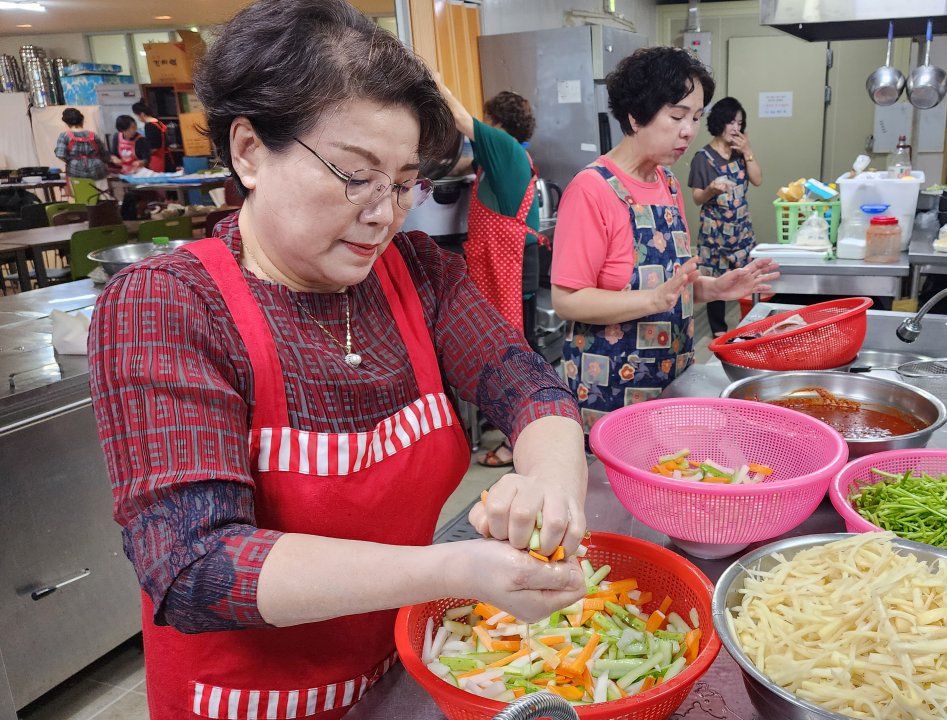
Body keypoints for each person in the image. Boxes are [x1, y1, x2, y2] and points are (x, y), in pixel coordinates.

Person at [88, 2, 587, 718]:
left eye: (404, 181)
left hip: (395, 677)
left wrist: (553, 487)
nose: (385, 213)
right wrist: (450, 569)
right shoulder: (168, 305)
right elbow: (194, 568)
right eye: (356, 174)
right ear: (250, 152)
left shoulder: (418, 274)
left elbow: (527, 384)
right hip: (245, 704)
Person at [550, 47, 779, 433]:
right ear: (635, 116)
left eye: (695, 117)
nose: (688, 130)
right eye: (676, 116)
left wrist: (713, 288)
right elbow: (567, 300)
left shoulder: (667, 182)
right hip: (611, 391)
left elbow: (672, 286)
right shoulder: (591, 190)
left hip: (672, 379)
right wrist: (651, 301)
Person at [434, 77, 542, 468]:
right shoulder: (498, 156)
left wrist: (434, 81)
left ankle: (523, 438)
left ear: (497, 123)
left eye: (487, 120)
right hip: (504, 261)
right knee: (512, 346)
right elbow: (463, 163)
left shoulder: (505, 146)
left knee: (518, 353)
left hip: (512, 265)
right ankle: (519, 428)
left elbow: (461, 118)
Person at [687, 97, 763, 338]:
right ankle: (719, 332)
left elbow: (758, 180)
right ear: (719, 122)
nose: (736, 128)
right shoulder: (703, 157)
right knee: (714, 281)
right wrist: (711, 189)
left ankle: (749, 328)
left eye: (740, 123)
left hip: (741, 231)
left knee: (749, 278)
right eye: (731, 122)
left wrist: (749, 151)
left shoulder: (741, 153)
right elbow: (698, 198)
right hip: (714, 233)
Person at [53, 107, 110, 198]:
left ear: (66, 123)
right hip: (98, 171)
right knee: (103, 199)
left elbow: (60, 154)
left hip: (76, 173)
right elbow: (104, 153)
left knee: (82, 200)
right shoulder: (92, 135)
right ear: (82, 120)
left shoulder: (64, 136)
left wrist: (71, 161)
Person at [132, 101, 173, 172]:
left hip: (159, 161)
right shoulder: (157, 122)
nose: (137, 118)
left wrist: (142, 155)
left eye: (136, 115)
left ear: (142, 114)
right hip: (166, 158)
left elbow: (155, 147)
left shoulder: (150, 126)